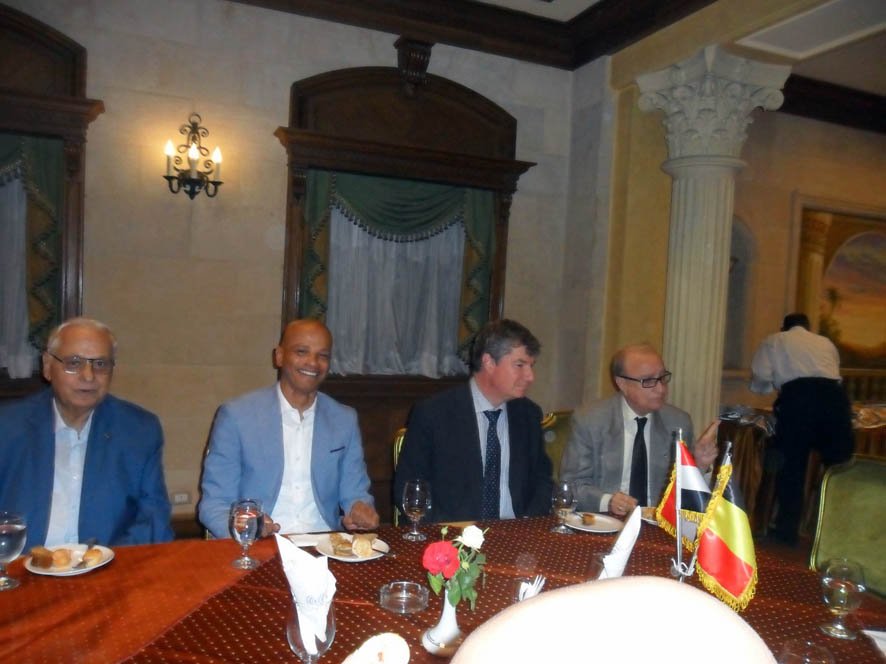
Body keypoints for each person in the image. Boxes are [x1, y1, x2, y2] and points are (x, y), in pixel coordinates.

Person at [0, 317, 173, 550]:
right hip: (22, 565)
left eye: (100, 364)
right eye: (74, 363)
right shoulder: (8, 427)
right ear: (48, 366)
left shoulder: (138, 430)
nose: (89, 376)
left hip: (111, 564)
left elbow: (153, 518)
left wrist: (111, 562)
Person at [198, 319, 378, 538]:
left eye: (322, 355)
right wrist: (247, 527)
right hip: (260, 544)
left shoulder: (343, 420)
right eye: (302, 352)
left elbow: (356, 493)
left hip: (325, 543)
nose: (313, 363)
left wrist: (360, 510)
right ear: (280, 356)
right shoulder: (237, 417)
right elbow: (215, 504)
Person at [394, 319, 553, 523]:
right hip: (451, 533)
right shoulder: (435, 414)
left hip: (517, 532)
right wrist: (449, 533)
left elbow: (542, 480)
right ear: (489, 362)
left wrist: (527, 524)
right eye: (520, 365)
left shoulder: (528, 415)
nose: (530, 376)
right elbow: (409, 488)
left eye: (531, 366)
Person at [560, 343, 719, 517]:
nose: (661, 389)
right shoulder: (591, 420)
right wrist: (608, 501)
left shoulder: (678, 422)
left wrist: (699, 465)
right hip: (605, 522)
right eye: (648, 381)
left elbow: (686, 496)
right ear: (622, 383)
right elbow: (572, 485)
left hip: (658, 523)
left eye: (662, 378)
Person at [749, 312, 853, 545]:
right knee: (838, 468)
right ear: (808, 327)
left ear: (783, 328)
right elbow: (833, 374)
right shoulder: (825, 342)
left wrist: (764, 388)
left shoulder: (775, 340)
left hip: (800, 401)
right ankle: (840, 532)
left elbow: (761, 375)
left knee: (792, 468)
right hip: (835, 401)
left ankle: (787, 532)